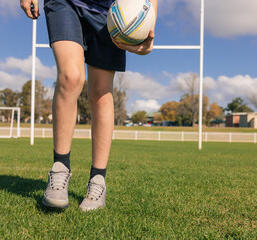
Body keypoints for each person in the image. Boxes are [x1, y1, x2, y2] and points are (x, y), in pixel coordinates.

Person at [20, 0, 158, 211]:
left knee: (101, 94)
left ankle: (97, 181)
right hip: (65, 2)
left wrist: (149, 24)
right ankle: (59, 169)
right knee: (71, 77)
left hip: (109, 12)